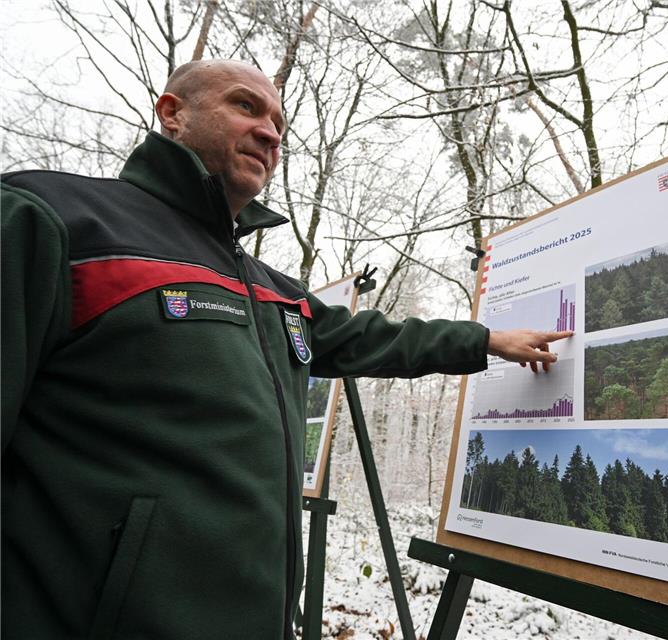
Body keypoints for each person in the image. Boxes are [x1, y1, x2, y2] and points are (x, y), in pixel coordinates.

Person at [1, 59, 572, 640]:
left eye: (279, 122)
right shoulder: (53, 221)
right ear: (173, 114)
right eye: (246, 106)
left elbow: (372, 339)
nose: (271, 133)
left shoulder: (271, 288)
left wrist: (487, 340)